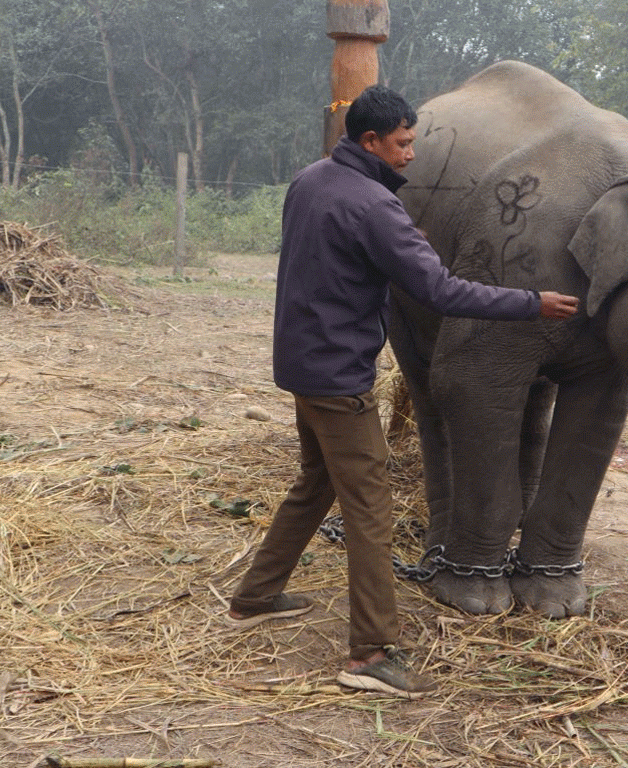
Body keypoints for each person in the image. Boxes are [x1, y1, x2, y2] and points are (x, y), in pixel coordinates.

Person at [225, 84, 579, 698]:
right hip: (340, 378)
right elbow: (441, 290)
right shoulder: (374, 206)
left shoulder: (310, 179)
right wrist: (532, 303)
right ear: (371, 141)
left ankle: (257, 594)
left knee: (316, 485)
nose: (412, 154)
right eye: (403, 143)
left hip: (302, 365)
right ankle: (369, 655)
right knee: (370, 513)